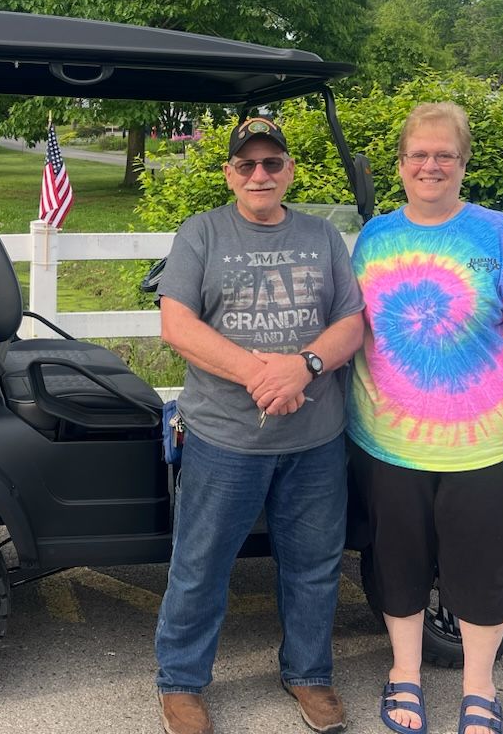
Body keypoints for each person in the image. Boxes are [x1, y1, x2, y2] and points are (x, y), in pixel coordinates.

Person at [347, 102, 503, 734]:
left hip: (487, 446)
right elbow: (349, 328)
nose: (431, 164)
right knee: (398, 565)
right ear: (402, 164)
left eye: (445, 154)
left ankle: (479, 687)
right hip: (388, 442)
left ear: (463, 162)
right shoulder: (376, 237)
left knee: (483, 571)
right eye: (419, 154)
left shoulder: (496, 234)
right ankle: (404, 676)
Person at [155, 116, 366, 734]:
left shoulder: (323, 237)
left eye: (272, 163)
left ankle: (309, 674)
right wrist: (259, 375)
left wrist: (303, 367)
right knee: (201, 564)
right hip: (225, 437)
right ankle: (181, 681)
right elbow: (178, 325)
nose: (259, 174)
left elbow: (351, 322)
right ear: (229, 173)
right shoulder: (202, 233)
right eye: (246, 164)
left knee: (314, 564)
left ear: (289, 171)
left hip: (315, 438)